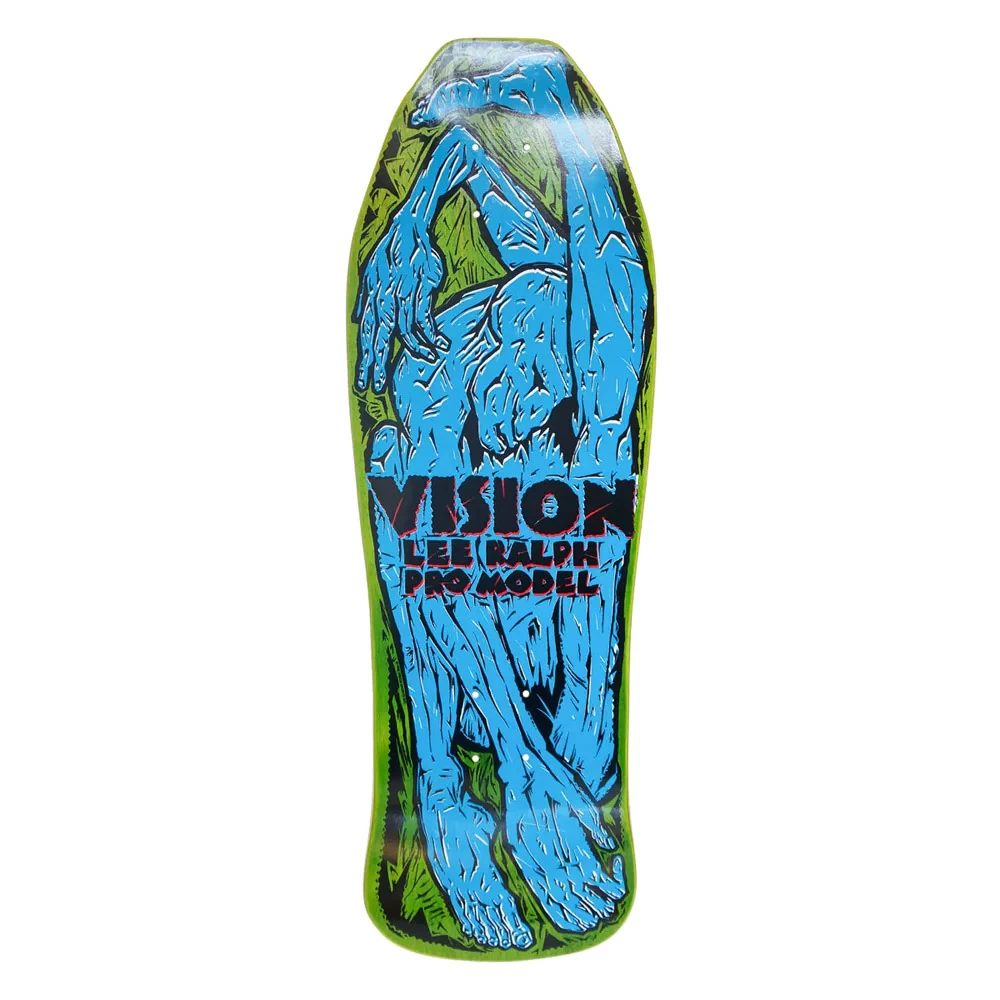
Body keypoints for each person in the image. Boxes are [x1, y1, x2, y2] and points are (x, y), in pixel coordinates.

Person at [355, 49, 649, 949]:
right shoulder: (433, 382)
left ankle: (470, 784)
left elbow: (598, 307)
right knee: (411, 494)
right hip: (478, 598)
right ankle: (444, 787)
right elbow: (436, 576)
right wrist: (513, 763)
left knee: (596, 462)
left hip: (547, 585)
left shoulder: (568, 389)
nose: (530, 392)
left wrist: (426, 200)